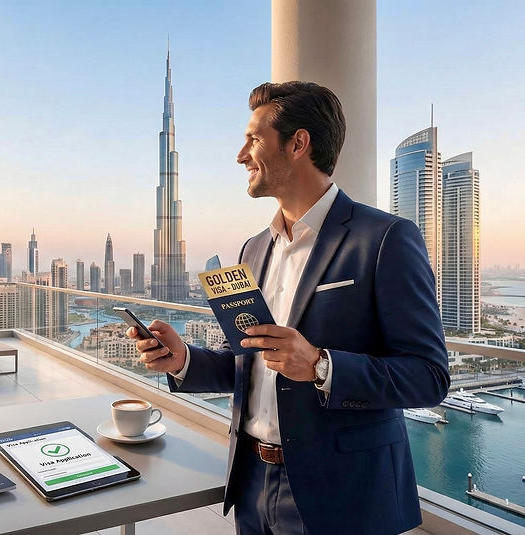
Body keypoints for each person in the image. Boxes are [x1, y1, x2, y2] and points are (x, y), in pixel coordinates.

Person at [128, 81, 450, 534]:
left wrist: (321, 365)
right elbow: (246, 362)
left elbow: (429, 377)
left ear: (298, 143)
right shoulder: (254, 249)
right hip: (252, 484)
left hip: (343, 495)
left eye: (254, 140)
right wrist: (182, 360)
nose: (241, 156)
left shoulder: (384, 240)